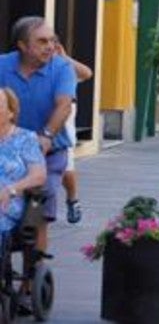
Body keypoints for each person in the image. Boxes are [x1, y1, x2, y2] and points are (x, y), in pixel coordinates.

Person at [0, 16, 76, 252]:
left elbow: (64, 104)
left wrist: (45, 135)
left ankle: (33, 271)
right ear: (22, 45)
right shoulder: (3, 65)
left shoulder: (62, 68)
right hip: (5, 144)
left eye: (52, 41)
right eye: (42, 41)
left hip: (48, 150)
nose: (50, 47)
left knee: (38, 206)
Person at [53, 39, 91, 223]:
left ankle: (72, 198)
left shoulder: (64, 68)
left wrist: (65, 57)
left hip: (63, 125)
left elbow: (87, 73)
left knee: (66, 168)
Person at [0, 88, 46, 236]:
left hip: (7, 201)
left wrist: (11, 190)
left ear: (11, 113)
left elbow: (38, 175)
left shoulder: (25, 138)